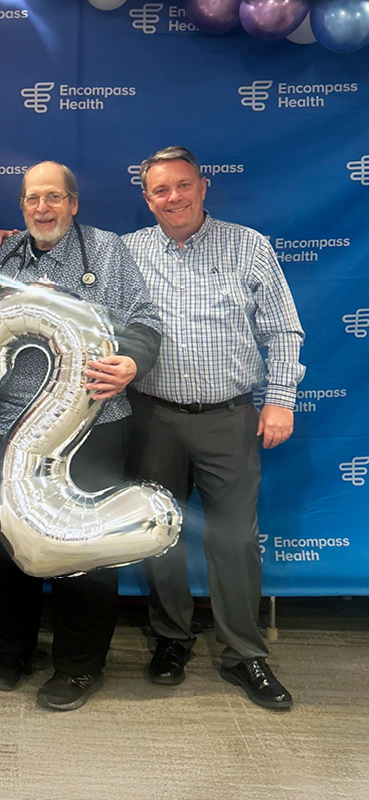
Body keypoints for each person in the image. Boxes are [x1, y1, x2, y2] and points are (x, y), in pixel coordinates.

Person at [0, 161, 162, 711]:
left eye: (53, 197)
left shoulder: (107, 251)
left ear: (73, 203)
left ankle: (80, 667)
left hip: (88, 427)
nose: (42, 208)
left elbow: (145, 320)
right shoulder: (2, 256)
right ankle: (14, 650)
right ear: (22, 206)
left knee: (83, 543)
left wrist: (133, 361)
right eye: (32, 199)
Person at [123, 146, 305, 710]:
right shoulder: (127, 252)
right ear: (147, 198)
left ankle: (243, 652)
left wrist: (280, 400)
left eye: (183, 185)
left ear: (204, 186)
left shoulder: (248, 245)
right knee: (159, 533)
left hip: (230, 418)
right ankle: (171, 637)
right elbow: (66, 269)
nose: (173, 197)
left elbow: (284, 330)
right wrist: (12, 241)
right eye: (160, 190)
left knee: (236, 540)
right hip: (153, 417)